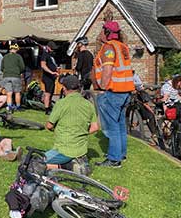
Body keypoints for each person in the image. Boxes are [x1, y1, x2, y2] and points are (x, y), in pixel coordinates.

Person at [93, 21, 135, 168]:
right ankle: (120, 154)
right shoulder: (122, 47)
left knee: (112, 126)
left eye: (101, 31)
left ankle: (113, 159)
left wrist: (103, 87)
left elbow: (108, 69)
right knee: (120, 124)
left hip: (113, 91)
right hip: (125, 91)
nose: (99, 34)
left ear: (106, 32)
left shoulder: (108, 48)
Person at [44, 75, 98, 171]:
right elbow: (95, 127)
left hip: (63, 150)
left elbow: (49, 126)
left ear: (64, 88)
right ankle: (77, 161)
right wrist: (80, 132)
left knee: (34, 162)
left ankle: (68, 167)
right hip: (81, 150)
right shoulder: (89, 104)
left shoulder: (61, 103)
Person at [1, 44, 25, 112]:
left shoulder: (5, 57)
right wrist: (18, 71)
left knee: (9, 92)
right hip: (15, 76)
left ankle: (9, 106)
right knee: (17, 92)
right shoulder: (18, 56)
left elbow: (2, 68)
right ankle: (18, 107)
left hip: (6, 76)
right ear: (16, 49)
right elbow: (22, 67)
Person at [40, 41, 59, 115]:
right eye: (52, 49)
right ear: (48, 47)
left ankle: (49, 106)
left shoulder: (51, 55)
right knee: (47, 93)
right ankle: (47, 109)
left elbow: (52, 64)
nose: (53, 50)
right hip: (47, 77)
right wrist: (51, 72)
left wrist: (56, 68)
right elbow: (43, 65)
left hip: (52, 77)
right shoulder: (45, 54)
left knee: (51, 93)